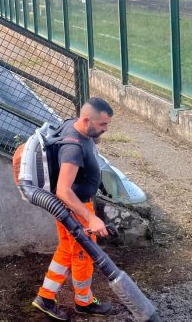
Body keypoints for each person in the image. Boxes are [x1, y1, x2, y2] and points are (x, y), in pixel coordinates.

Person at [31, 97, 115, 320]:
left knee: (68, 250)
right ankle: (83, 302)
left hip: (71, 208)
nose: (105, 129)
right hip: (75, 208)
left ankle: (46, 297)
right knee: (83, 255)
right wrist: (90, 217)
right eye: (102, 125)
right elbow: (63, 191)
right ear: (87, 120)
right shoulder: (73, 148)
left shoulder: (73, 125)